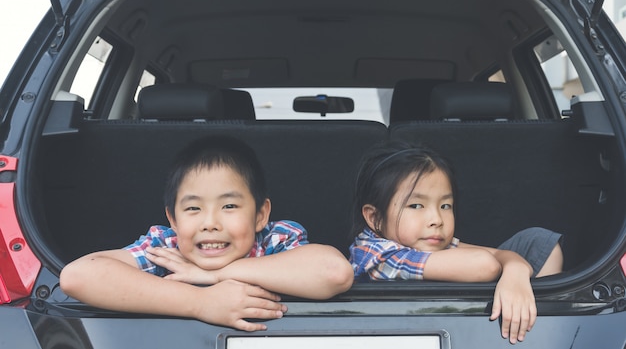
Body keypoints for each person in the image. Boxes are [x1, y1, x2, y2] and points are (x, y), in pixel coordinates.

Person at [61, 135, 353, 331]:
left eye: (228, 205)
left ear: (261, 215)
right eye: (192, 209)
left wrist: (215, 275)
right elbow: (78, 276)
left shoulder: (274, 242)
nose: (210, 223)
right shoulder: (168, 249)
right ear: (172, 219)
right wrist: (200, 303)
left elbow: (334, 272)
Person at [349, 141, 563, 344]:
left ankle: (528, 323)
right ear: (375, 218)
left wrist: (516, 272)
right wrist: (510, 269)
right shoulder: (376, 253)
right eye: (416, 206)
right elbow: (485, 265)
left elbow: (499, 256)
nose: (436, 220)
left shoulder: (426, 241)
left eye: (445, 206)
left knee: (538, 241)